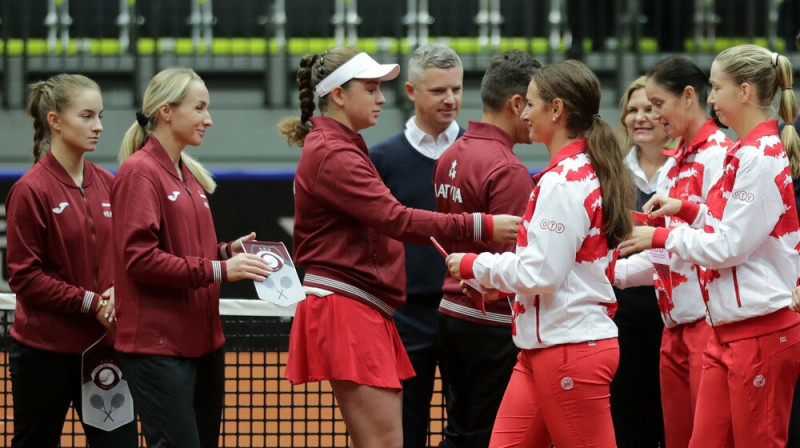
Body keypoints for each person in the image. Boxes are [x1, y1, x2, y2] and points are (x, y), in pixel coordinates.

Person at [278, 46, 520, 448]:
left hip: (362, 305)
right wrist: (483, 223)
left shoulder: (341, 145)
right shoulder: (334, 151)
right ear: (338, 94)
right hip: (348, 307)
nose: (381, 99)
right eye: (370, 89)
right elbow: (397, 219)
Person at [445, 59, 635, 447]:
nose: (524, 113)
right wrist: (511, 290)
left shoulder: (564, 182)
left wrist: (474, 264)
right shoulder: (578, 171)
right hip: (541, 348)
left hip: (570, 351)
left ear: (557, 109)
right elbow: (558, 270)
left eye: (531, 104)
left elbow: (542, 274)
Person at [621, 44, 800, 448]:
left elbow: (729, 246)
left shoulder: (759, 155)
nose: (711, 97)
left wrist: (662, 233)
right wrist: (686, 209)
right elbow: (727, 227)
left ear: (745, 92)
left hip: (759, 327)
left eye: (716, 88)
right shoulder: (744, 151)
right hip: (729, 326)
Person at [111, 67, 272, 448]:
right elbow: (139, 260)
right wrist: (219, 268)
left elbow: (185, 255)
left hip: (203, 345)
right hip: (158, 348)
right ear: (167, 111)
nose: (209, 119)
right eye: (199, 108)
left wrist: (223, 252)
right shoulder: (139, 173)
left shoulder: (189, 175)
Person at [5, 74, 138, 447]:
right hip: (43, 356)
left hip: (103, 353)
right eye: (86, 116)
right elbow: (24, 277)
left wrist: (119, 292)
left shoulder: (111, 183)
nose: (98, 126)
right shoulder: (30, 190)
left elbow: (131, 255)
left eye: (100, 116)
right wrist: (91, 302)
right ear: (55, 121)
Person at [617, 57, 730, 448]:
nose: (653, 115)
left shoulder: (718, 155)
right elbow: (671, 257)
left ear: (686, 97)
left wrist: (656, 240)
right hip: (674, 326)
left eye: (657, 104)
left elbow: (722, 245)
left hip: (709, 327)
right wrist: (610, 273)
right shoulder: (677, 162)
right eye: (641, 106)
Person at [432, 49, 538, 448]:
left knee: (460, 432)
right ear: (515, 104)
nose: (536, 115)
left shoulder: (450, 154)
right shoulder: (508, 169)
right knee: (485, 437)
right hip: (490, 322)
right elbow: (514, 263)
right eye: (535, 104)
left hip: (451, 316)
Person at [369, 43, 464, 448]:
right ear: (410, 91)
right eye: (438, 91)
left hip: (467, 311)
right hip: (406, 316)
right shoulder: (381, 158)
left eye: (457, 89)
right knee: (406, 430)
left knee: (468, 429)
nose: (451, 99)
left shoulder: (480, 153)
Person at [608, 75, 670, 448]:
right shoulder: (611, 173)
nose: (641, 117)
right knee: (628, 419)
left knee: (672, 419)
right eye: (632, 110)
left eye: (650, 108)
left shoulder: (686, 171)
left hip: (673, 312)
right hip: (623, 312)